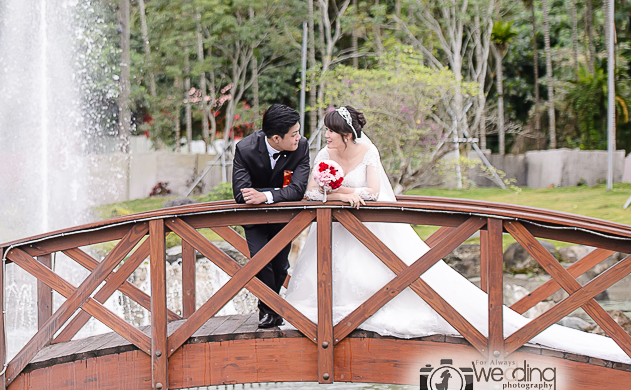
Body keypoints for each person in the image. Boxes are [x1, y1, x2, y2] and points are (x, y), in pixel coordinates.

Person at [285, 105, 630, 364]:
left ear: (346, 134)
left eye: (330, 131)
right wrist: (343, 194)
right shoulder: (324, 154)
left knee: (395, 277)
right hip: (335, 231)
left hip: (370, 229)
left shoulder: (368, 152)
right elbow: (312, 195)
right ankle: (337, 314)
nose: (325, 136)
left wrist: (348, 193)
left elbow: (375, 193)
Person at [232, 104, 310, 329]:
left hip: (283, 217)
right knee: (260, 261)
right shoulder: (245, 148)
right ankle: (268, 310)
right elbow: (240, 193)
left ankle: (272, 312)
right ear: (276, 138)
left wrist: (264, 195)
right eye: (294, 134)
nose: (299, 137)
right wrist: (267, 195)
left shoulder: (301, 147)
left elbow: (297, 190)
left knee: (280, 265)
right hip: (254, 219)